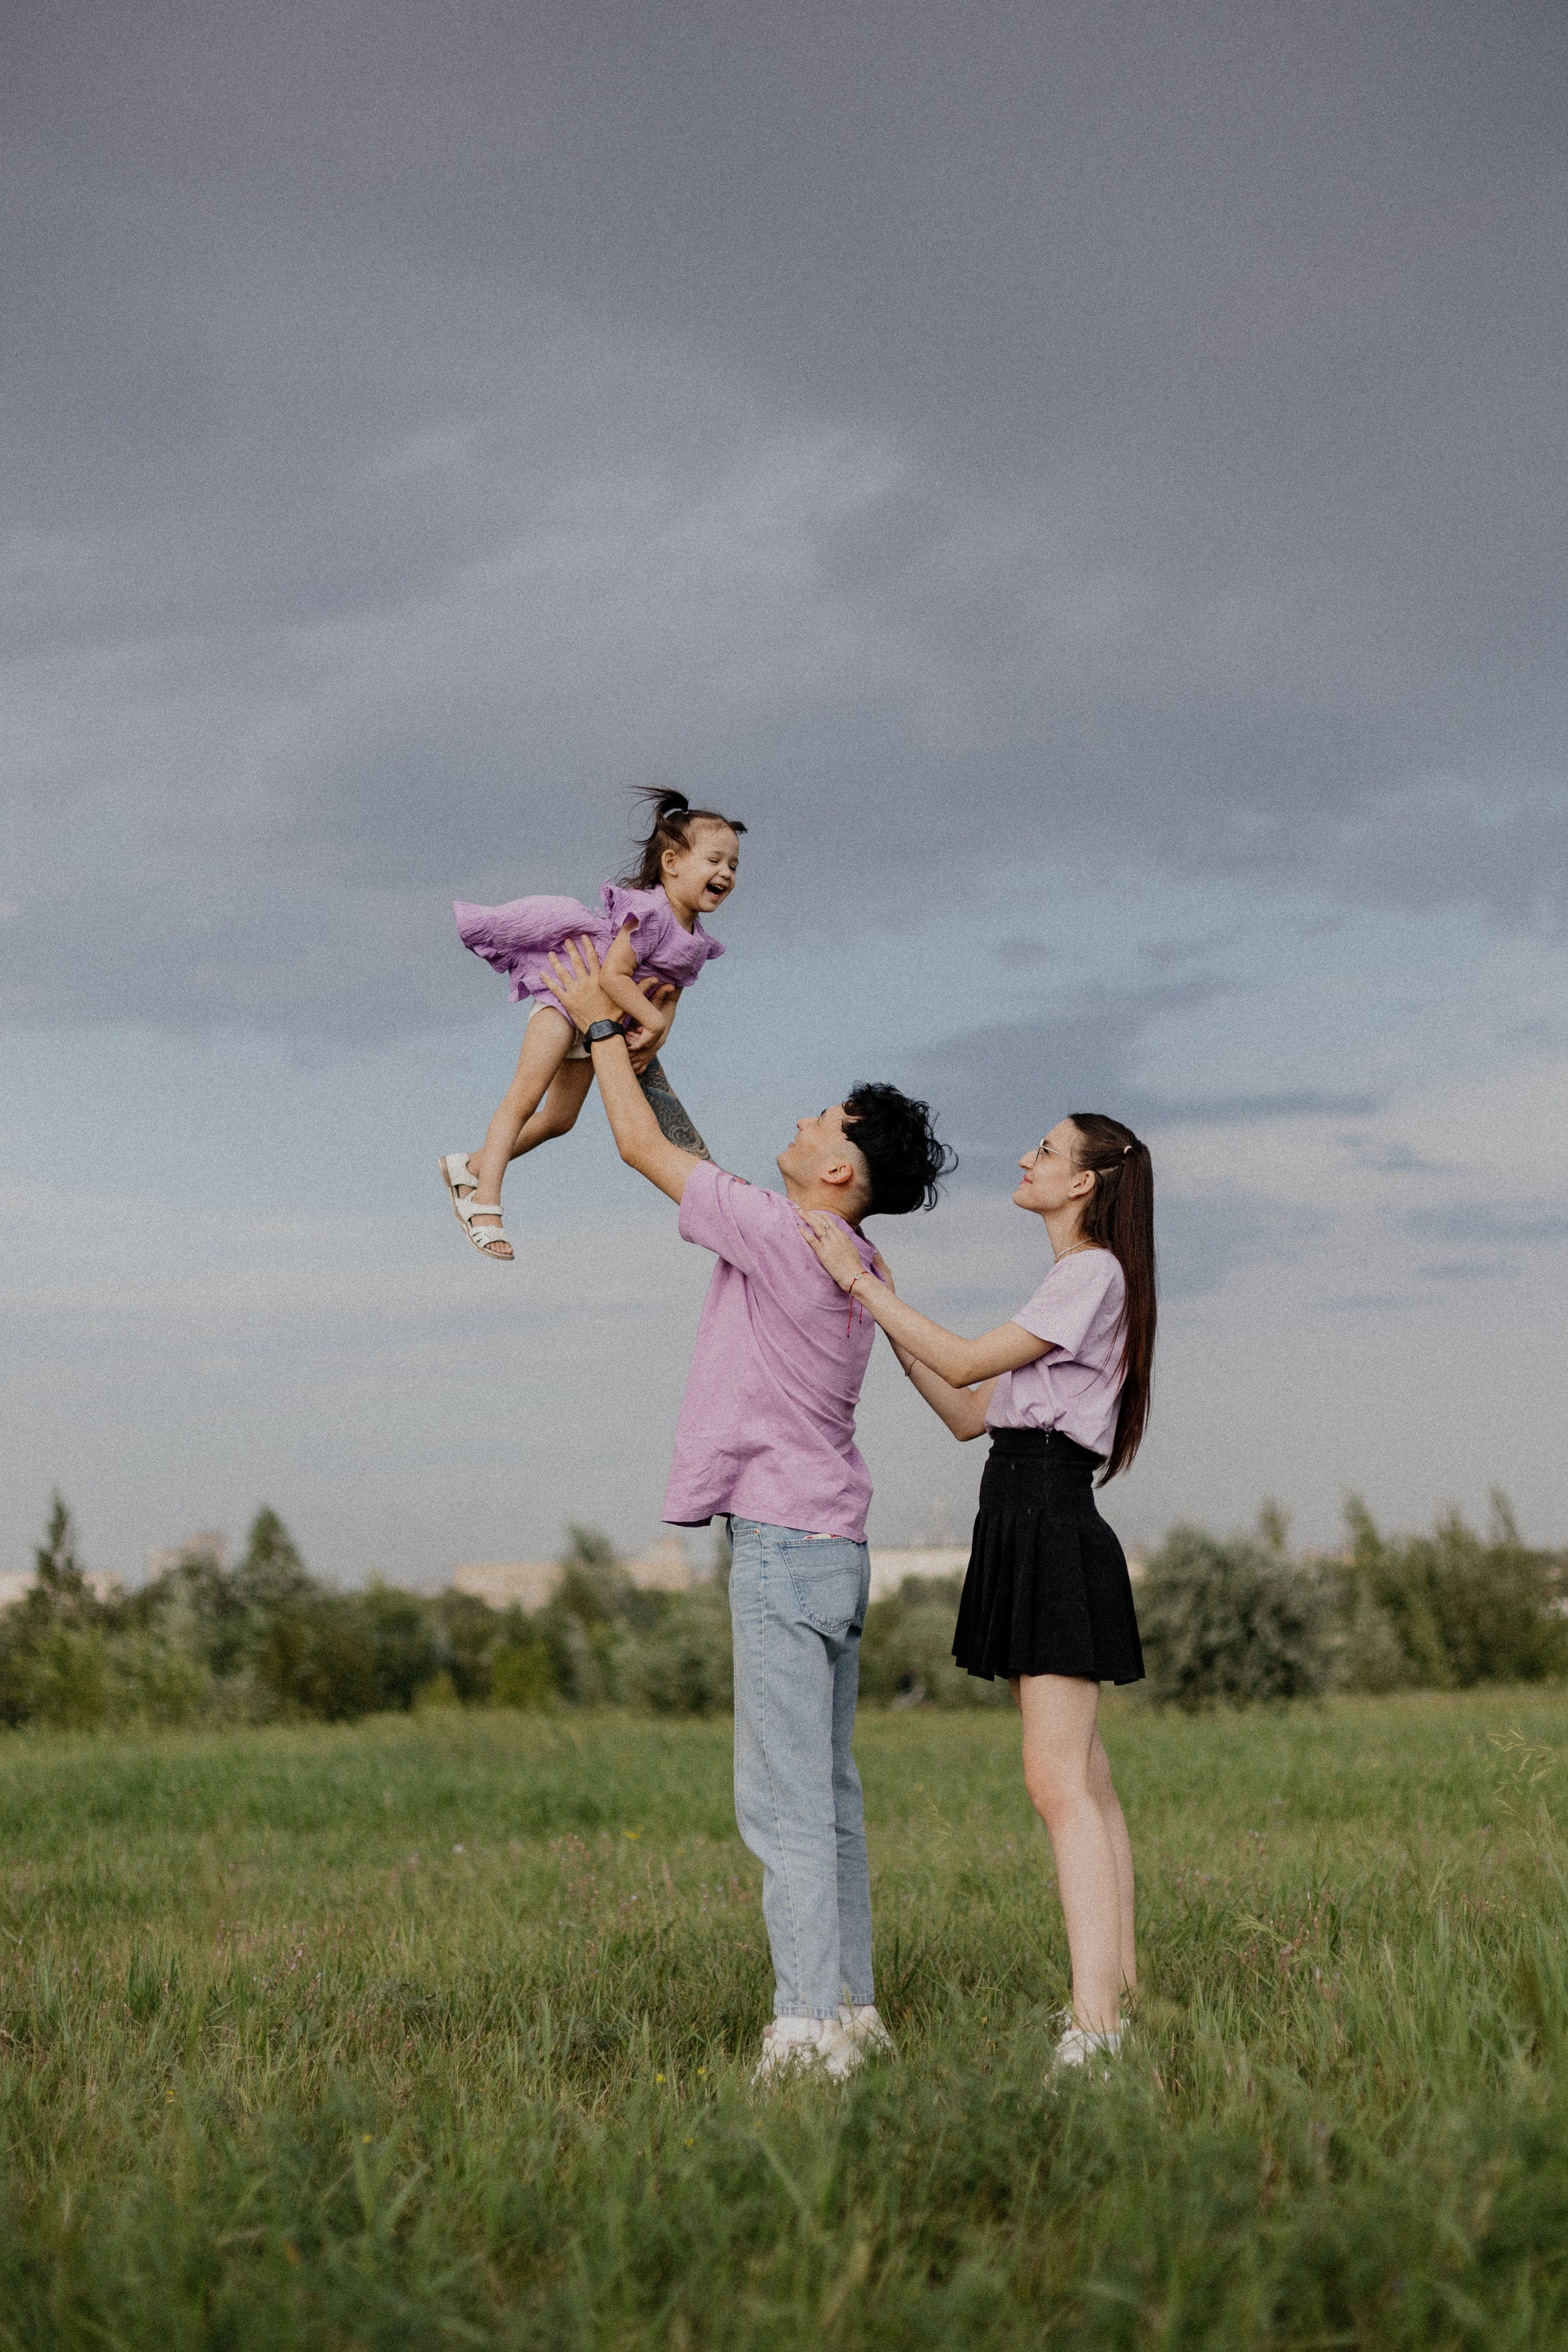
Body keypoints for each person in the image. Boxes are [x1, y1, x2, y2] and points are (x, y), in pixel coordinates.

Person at [542, 934, 956, 2082]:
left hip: (779, 1546)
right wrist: (647, 1057)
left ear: (840, 1170)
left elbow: (640, 1149)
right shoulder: (849, 1254)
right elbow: (692, 1160)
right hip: (837, 1547)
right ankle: (854, 2012)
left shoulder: (781, 1237)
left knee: (781, 1806)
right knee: (828, 1796)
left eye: (825, 1120)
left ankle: (805, 2029)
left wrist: (599, 1024)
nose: (805, 1120)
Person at [797, 1114, 1155, 2075]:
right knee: (1085, 1780)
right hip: (1025, 1510)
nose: (1027, 1159)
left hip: (1048, 1517)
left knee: (1056, 1782)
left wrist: (858, 1282)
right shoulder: (1074, 1281)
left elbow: (962, 1363)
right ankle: (1118, 1998)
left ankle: (1098, 2030)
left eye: (1047, 1151)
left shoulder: (1091, 1274)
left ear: (1084, 1183)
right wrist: (886, 1304)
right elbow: (965, 1409)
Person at [439, 788, 745, 1259]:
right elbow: (613, 976)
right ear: (672, 863)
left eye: (734, 866)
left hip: (602, 1025)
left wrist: (658, 1032)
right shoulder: (650, 913)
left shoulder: (697, 940)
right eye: (715, 860)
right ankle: (484, 1202)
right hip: (569, 1001)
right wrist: (649, 1019)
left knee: (560, 1120)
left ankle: (469, 1165)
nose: (726, 873)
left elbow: (670, 993)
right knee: (524, 1098)